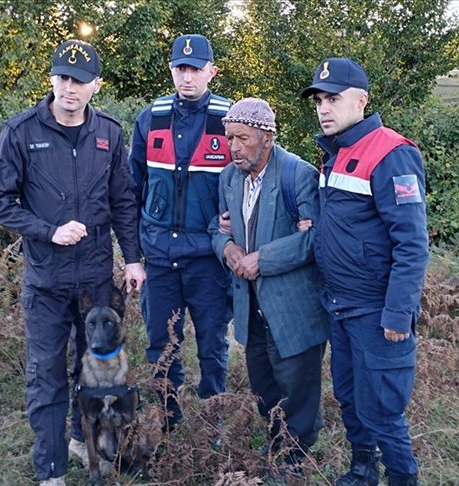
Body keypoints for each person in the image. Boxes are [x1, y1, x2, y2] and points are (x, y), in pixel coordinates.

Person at [0, 40, 146, 486]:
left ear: (96, 85)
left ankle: (81, 440)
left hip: (95, 279)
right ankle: (51, 471)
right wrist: (47, 230)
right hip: (47, 280)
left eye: (80, 80)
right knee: (48, 375)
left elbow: (123, 201)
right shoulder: (20, 131)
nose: (70, 87)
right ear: (52, 79)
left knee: (93, 369)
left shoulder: (109, 132)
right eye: (63, 78)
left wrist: (133, 259)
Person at [299, 58, 429, 486]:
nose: (324, 108)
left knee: (383, 409)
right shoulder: (335, 154)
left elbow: (412, 243)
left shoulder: (392, 153)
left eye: (333, 99)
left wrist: (398, 313)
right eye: (319, 100)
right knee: (350, 397)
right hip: (341, 305)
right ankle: (362, 471)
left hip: (376, 311)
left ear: (361, 100)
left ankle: (402, 478)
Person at [208, 98, 331, 470]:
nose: (234, 147)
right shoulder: (229, 177)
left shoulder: (299, 175)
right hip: (250, 308)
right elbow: (218, 226)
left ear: (267, 137)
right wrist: (227, 248)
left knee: (297, 390)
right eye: (230, 138)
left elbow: (316, 238)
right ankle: (277, 444)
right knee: (264, 386)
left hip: (292, 310)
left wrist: (262, 259)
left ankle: (295, 459)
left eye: (243, 138)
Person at [128, 34, 233, 430]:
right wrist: (133, 255)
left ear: (212, 71)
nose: (187, 77)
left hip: (208, 260)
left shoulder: (229, 119)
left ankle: (213, 423)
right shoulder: (150, 118)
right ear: (171, 70)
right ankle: (168, 420)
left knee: (212, 345)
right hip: (159, 258)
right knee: (160, 345)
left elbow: (250, 186)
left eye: (195, 69)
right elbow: (130, 189)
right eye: (180, 69)